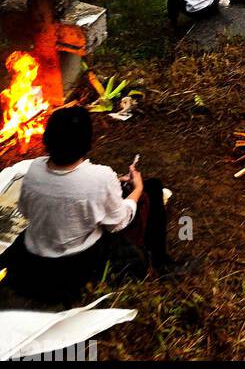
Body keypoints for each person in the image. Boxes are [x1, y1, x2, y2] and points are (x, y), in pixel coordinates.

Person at [5, 105, 175, 301]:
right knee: (151, 189)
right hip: (74, 265)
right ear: (86, 140)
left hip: (34, 259)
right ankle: (162, 263)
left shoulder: (34, 169)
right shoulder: (100, 176)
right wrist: (136, 189)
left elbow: (26, 211)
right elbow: (118, 222)